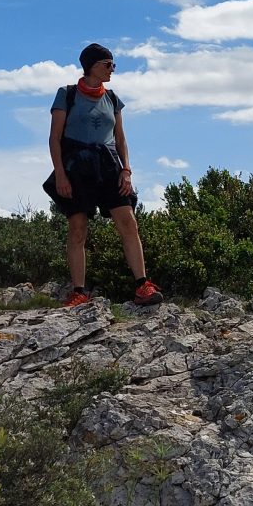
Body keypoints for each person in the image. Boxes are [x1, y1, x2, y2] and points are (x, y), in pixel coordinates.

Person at [45, 43, 164, 308]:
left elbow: (120, 138)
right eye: (107, 64)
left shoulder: (112, 99)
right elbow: (54, 139)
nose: (112, 69)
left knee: (128, 222)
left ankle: (142, 285)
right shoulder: (67, 94)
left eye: (113, 65)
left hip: (110, 166)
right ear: (91, 66)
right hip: (77, 166)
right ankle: (79, 292)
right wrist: (61, 176)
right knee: (77, 228)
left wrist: (126, 169)